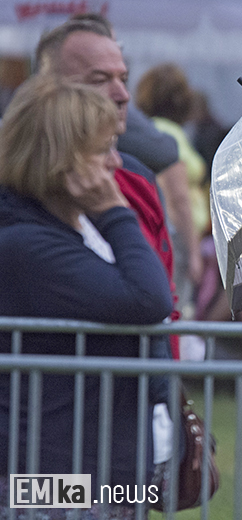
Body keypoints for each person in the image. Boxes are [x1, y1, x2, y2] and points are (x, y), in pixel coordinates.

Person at [0, 75, 173, 516]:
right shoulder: (25, 242)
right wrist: (116, 211)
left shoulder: (65, 229)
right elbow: (149, 300)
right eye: (102, 150)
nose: (117, 163)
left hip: (97, 471)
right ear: (60, 160)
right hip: (50, 479)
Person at [136, 63, 209, 321]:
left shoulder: (148, 130)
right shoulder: (169, 135)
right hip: (176, 238)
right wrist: (193, 252)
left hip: (164, 233)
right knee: (177, 313)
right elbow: (178, 198)